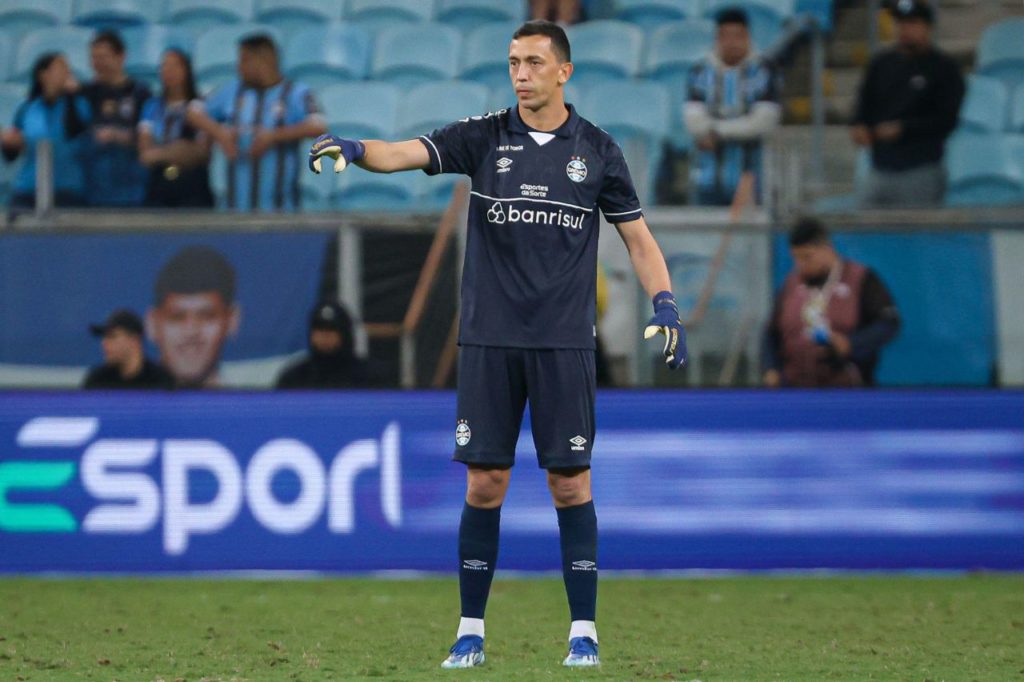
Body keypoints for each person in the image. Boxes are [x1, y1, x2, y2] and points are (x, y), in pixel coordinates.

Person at [308, 19, 687, 669]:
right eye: (513, 61)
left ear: (563, 72)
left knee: (571, 485)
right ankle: (470, 630)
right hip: (488, 340)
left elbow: (640, 239)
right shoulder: (483, 137)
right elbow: (406, 152)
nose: (520, 73)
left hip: (564, 344)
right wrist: (353, 145)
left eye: (534, 62)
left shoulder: (597, 150)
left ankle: (584, 632)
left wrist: (666, 302)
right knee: (486, 483)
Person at [187, 34, 326, 211]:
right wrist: (220, 133)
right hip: (233, 210)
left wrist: (273, 136)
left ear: (265, 60)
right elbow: (192, 111)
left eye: (244, 60)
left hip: (281, 211)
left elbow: (318, 126)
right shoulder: (231, 90)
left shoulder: (296, 93)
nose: (239, 67)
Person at [850, 0, 964, 208]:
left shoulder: (943, 69)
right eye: (901, 23)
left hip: (920, 168)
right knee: (866, 231)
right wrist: (859, 125)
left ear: (927, 27)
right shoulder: (880, 64)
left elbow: (946, 120)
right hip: (879, 168)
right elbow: (863, 103)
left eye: (912, 23)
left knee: (918, 235)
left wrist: (904, 128)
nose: (905, 29)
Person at [762, 217, 900, 388]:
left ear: (827, 248)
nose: (800, 265)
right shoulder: (791, 283)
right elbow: (770, 333)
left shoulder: (861, 279)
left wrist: (851, 343)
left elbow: (888, 323)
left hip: (847, 388)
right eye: (795, 258)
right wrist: (771, 369)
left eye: (807, 257)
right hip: (795, 388)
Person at [684, 7, 781, 206]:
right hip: (707, 179)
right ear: (717, 39)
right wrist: (739, 126)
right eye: (725, 36)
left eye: (737, 36)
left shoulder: (764, 70)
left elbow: (764, 121)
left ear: (747, 37)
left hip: (753, 178)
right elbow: (693, 120)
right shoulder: (700, 71)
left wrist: (716, 132)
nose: (732, 43)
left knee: (750, 236)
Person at [1, 53, 90, 213]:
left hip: (67, 188)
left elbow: (74, 132)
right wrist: (9, 143)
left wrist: (71, 96)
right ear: (43, 74)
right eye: (61, 68)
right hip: (29, 187)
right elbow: (12, 154)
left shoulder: (79, 105)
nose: (67, 73)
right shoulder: (27, 109)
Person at [146, 245, 240, 388]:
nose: (191, 332)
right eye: (177, 317)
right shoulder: (125, 399)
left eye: (207, 317)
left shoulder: (253, 402)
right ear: (152, 324)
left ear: (232, 321)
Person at [81, 29, 152, 207]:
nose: (98, 64)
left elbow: (152, 138)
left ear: (121, 57)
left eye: (103, 57)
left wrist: (119, 136)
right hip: (94, 189)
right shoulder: (87, 94)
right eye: (94, 58)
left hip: (133, 189)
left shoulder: (140, 94)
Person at [138, 49, 214, 208]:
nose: (168, 71)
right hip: (159, 185)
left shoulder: (200, 106)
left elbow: (201, 153)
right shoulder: (152, 107)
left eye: (174, 66)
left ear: (186, 70)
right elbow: (145, 155)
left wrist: (160, 153)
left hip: (192, 187)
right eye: (164, 66)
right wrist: (179, 150)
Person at [275, 300, 375, 389]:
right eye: (319, 330)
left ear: (345, 335)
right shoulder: (294, 379)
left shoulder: (369, 377)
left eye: (331, 331)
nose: (324, 337)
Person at [83, 309, 175, 389]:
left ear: (135, 340)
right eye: (104, 337)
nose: (104, 343)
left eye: (112, 336)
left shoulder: (160, 381)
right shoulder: (97, 381)